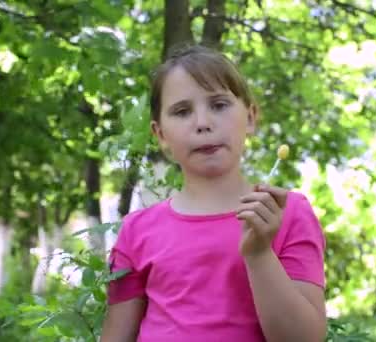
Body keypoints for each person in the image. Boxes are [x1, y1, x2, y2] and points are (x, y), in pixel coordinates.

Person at [101, 45, 327, 342]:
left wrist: (259, 253)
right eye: (182, 111)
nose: (203, 123)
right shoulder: (136, 230)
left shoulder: (286, 211)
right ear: (160, 135)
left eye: (219, 105)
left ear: (250, 117)